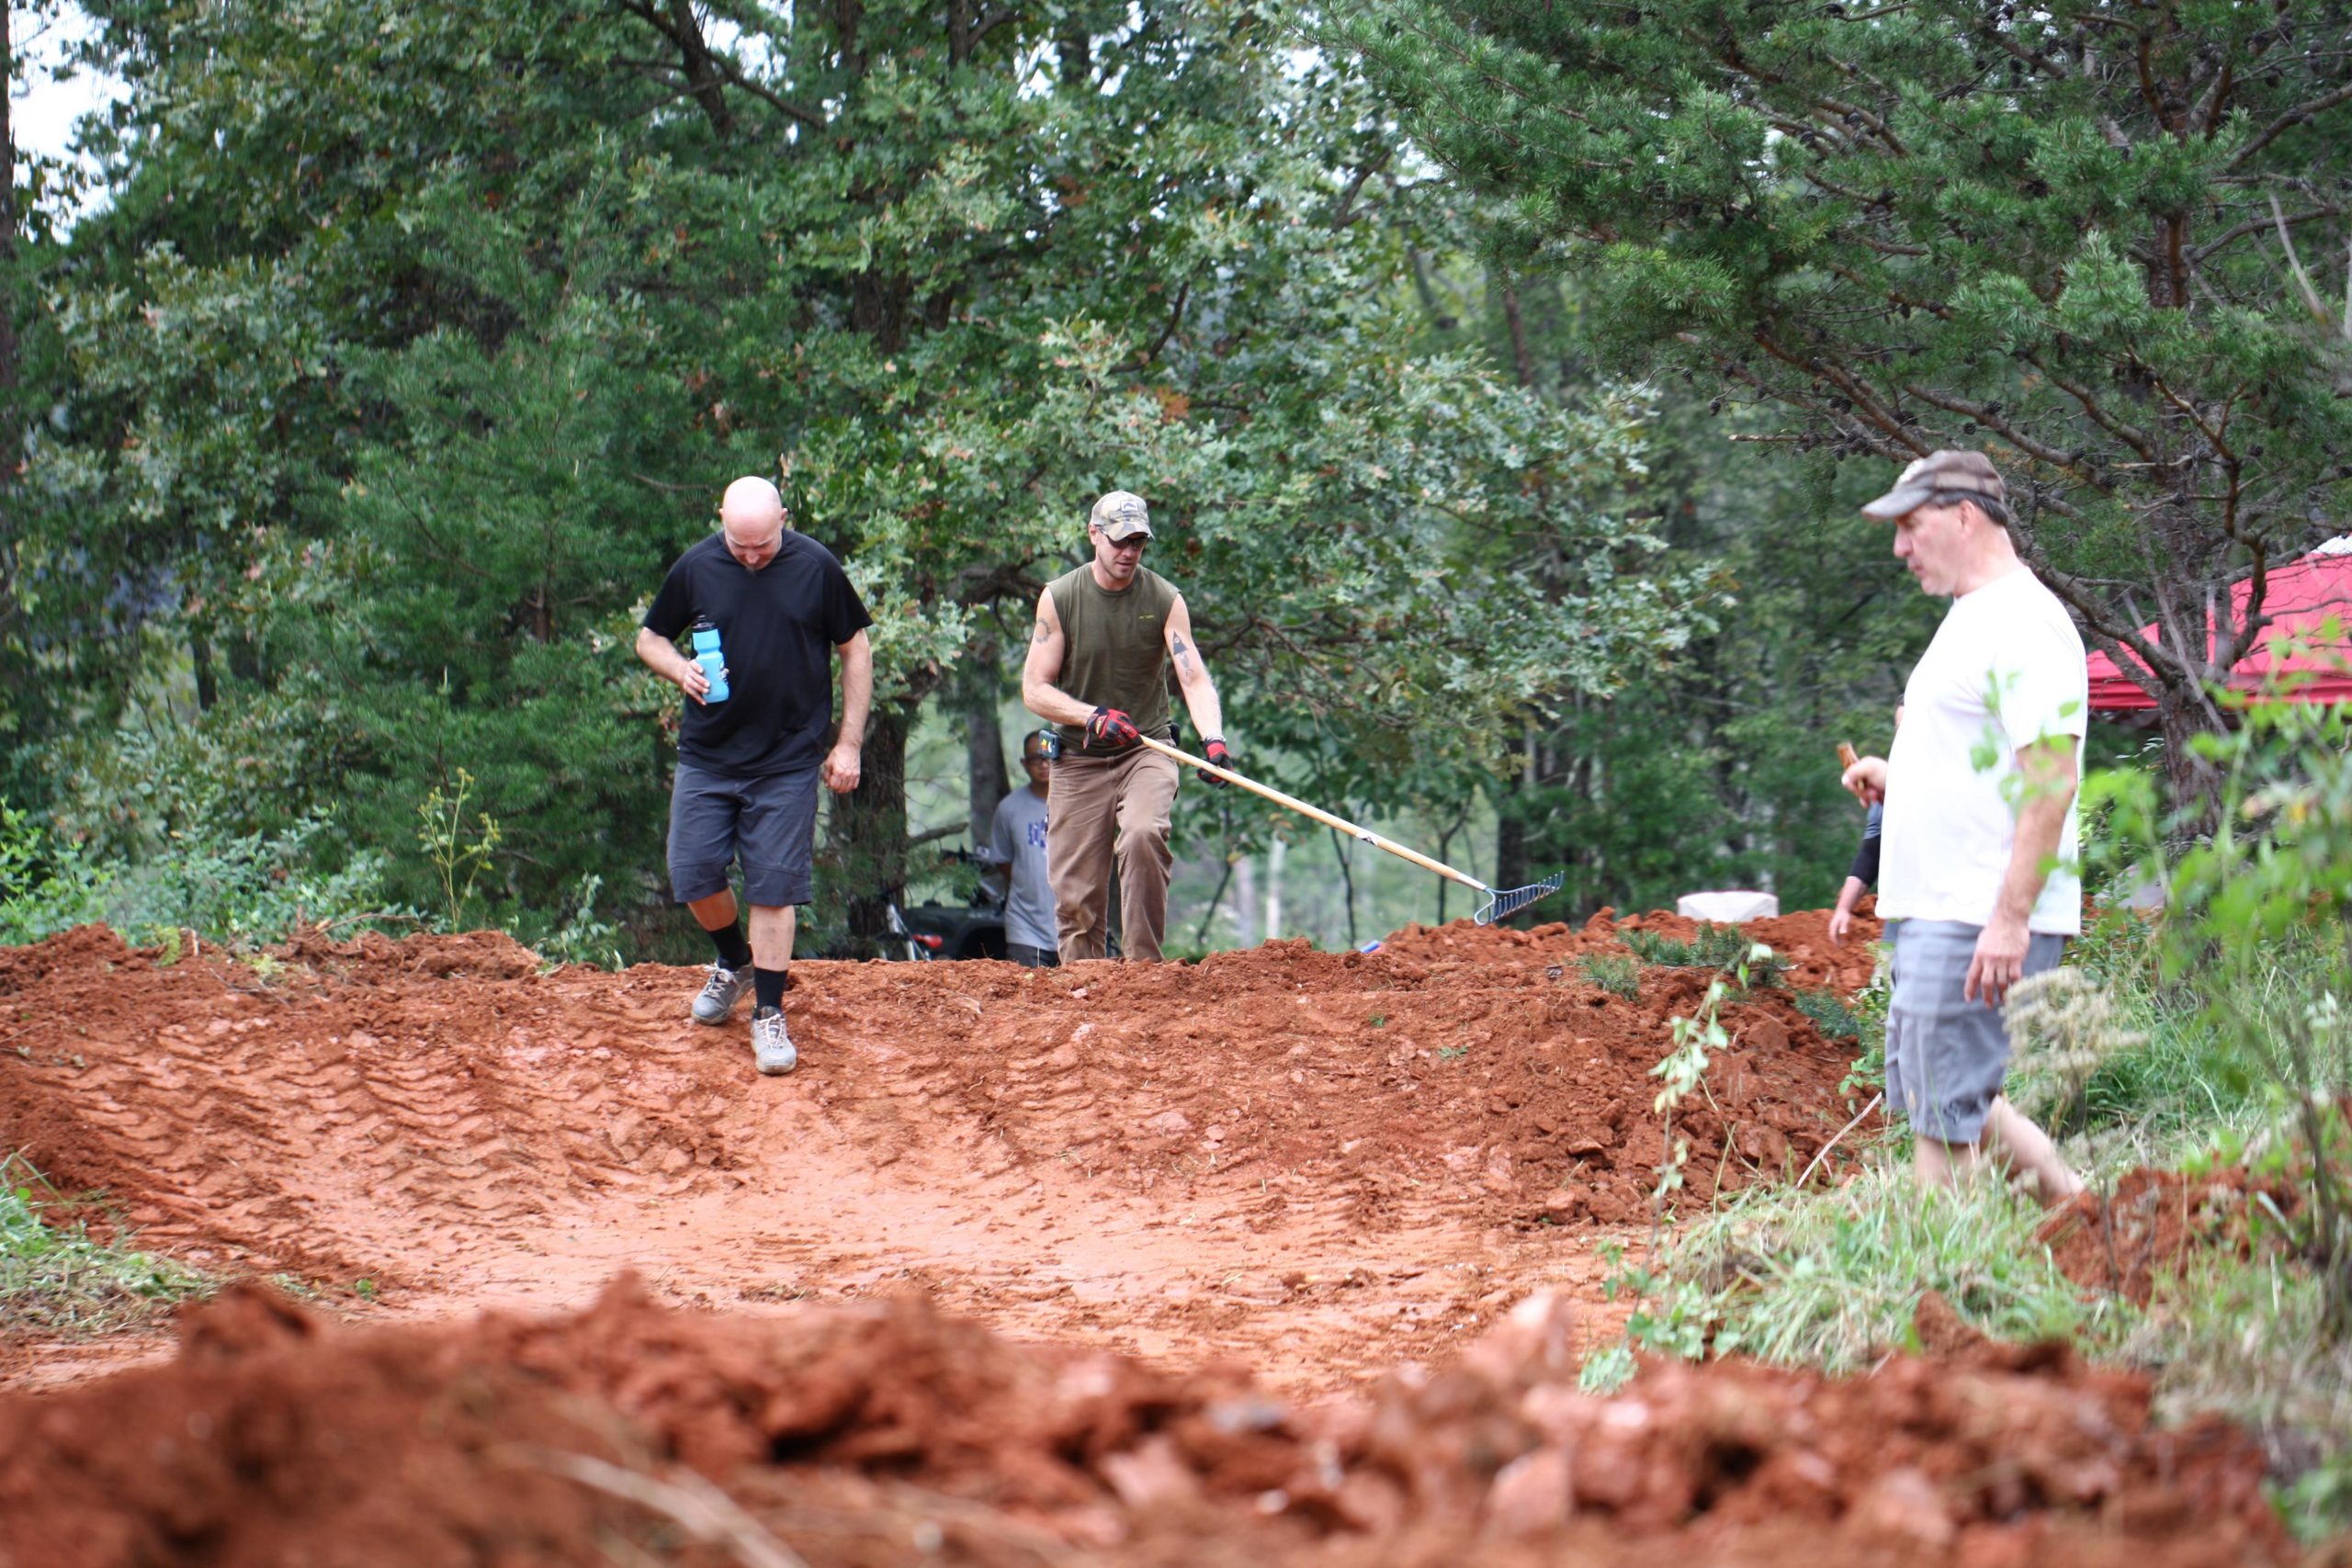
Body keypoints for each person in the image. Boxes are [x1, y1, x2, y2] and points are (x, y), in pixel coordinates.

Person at [1840, 450, 2086, 1203]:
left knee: (1942, 1125)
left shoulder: (2023, 622)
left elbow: (2053, 777)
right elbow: (1988, 764)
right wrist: (1900, 777)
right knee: (1956, 1106)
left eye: (1911, 526)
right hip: (1939, 910)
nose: (1900, 547)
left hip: (1974, 915)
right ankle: (2088, 1218)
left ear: (1964, 515)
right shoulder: (1972, 617)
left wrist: (2010, 920)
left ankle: (1938, 1294)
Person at [636, 476, 873, 1077]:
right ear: (721, 520)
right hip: (709, 752)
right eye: (739, 545)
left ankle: (768, 1011)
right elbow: (649, 637)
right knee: (692, 872)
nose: (749, 556)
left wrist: (848, 744)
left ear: (783, 520)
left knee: (773, 883)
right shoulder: (696, 567)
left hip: (788, 755)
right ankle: (733, 960)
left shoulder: (816, 567)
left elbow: (856, 647)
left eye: (762, 546)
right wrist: (678, 668)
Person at [1022, 491, 1231, 963]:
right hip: (1078, 757)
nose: (1129, 552)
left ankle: (1145, 973)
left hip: (1147, 749)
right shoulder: (1060, 598)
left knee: (1141, 834)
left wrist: (1213, 739)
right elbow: (1035, 689)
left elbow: (1193, 675)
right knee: (1076, 898)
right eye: (1120, 540)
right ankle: (1084, 985)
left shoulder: (1163, 598)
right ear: (1094, 535)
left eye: (1138, 542)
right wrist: (1091, 716)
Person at [982, 729, 1060, 967]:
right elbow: (1003, 860)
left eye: (1048, 757)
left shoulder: (1077, 804)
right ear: (1024, 764)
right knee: (1026, 997)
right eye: (1036, 759)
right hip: (1025, 926)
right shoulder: (1009, 808)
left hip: (1072, 923)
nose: (1043, 764)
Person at [1827, 800, 1882, 947]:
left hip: (1944, 914)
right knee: (1886, 966)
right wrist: (1843, 909)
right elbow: (1871, 854)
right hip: (1900, 913)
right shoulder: (1880, 808)